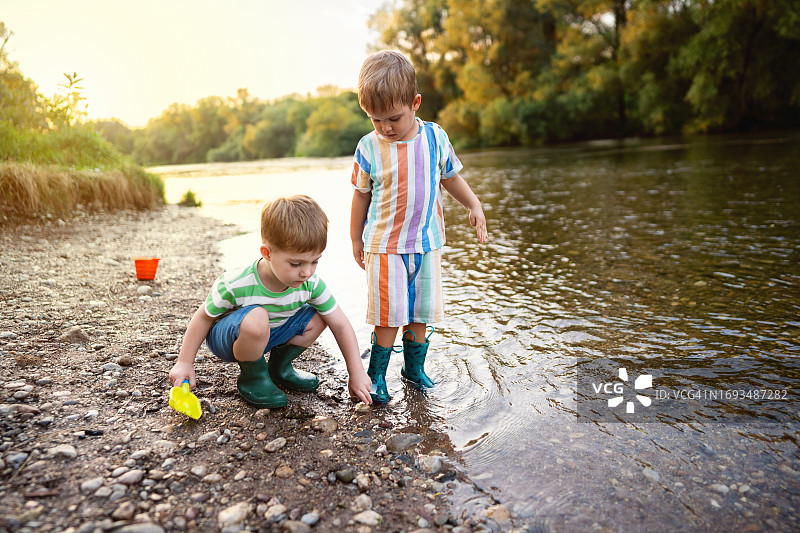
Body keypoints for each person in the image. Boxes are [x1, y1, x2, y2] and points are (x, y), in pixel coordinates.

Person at [350, 50, 489, 404]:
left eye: (393, 118)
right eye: (375, 120)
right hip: (383, 245)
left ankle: (413, 369)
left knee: (420, 311)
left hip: (426, 244)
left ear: (415, 103)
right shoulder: (368, 148)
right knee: (388, 314)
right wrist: (355, 239)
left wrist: (473, 204)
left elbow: (451, 177)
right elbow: (360, 197)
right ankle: (376, 375)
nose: (385, 128)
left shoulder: (435, 138)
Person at [169, 195, 373, 408]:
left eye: (314, 261)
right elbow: (203, 317)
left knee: (322, 315)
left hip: (270, 334)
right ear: (267, 253)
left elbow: (340, 323)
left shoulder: (310, 283)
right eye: (296, 263)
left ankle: (279, 368)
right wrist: (184, 362)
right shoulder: (236, 283)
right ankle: (253, 377)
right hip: (230, 338)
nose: (306, 272)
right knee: (257, 317)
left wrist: (356, 372)